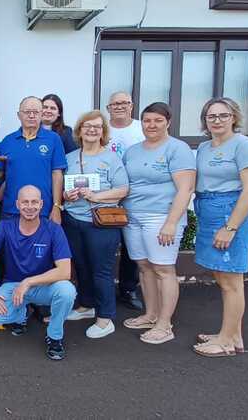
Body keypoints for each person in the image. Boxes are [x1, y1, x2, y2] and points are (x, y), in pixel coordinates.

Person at [192, 98, 248, 358]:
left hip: (230, 213)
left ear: (234, 117)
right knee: (223, 277)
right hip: (208, 211)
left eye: (223, 115)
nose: (217, 120)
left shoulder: (244, 146)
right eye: (211, 116)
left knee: (232, 280)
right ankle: (234, 334)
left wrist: (230, 227)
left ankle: (226, 342)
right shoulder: (204, 147)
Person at [120, 102, 195, 345]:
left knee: (163, 269)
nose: (151, 125)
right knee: (144, 266)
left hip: (160, 216)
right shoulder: (132, 151)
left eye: (157, 121)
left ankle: (165, 324)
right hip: (132, 216)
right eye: (147, 121)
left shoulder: (178, 149)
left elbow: (186, 189)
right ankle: (150, 314)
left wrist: (171, 223)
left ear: (168, 122)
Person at [0, 185, 77, 360]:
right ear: (17, 204)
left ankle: (54, 337)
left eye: (34, 202)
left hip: (43, 286)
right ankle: (22, 314)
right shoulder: (5, 226)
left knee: (67, 291)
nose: (30, 206)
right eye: (25, 202)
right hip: (13, 287)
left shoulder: (53, 229)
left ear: (42, 204)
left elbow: (65, 271)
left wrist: (28, 282)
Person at [59, 111, 130, 339]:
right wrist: (66, 196)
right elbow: (61, 189)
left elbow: (123, 190)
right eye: (87, 126)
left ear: (103, 132)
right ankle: (86, 306)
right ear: (79, 130)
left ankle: (105, 318)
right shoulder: (70, 158)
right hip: (73, 220)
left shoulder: (111, 158)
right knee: (81, 267)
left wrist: (96, 196)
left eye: (97, 127)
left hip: (101, 223)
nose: (92, 130)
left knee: (102, 271)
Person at [106, 91, 146, 311]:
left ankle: (128, 289)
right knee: (106, 245)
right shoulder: (102, 128)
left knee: (133, 247)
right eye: (115, 103)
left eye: (124, 103)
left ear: (132, 105)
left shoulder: (141, 128)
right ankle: (101, 290)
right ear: (108, 107)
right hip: (105, 198)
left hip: (135, 196)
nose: (119, 106)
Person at [0, 96, 67, 223]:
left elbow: (57, 174)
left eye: (35, 112)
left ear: (41, 114)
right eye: (27, 112)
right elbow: (0, 177)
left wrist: (56, 206)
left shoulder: (53, 139)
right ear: (19, 115)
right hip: (11, 211)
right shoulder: (7, 141)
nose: (31, 115)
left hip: (43, 211)